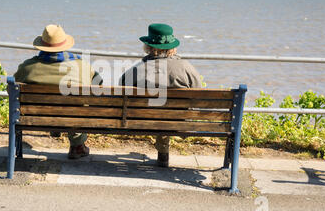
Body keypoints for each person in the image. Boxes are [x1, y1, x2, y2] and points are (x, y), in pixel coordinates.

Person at [119, 23, 203, 167]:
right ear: (172, 46)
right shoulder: (185, 68)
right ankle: (163, 152)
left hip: (142, 119)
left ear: (148, 47)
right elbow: (199, 94)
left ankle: (163, 152)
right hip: (179, 120)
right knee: (166, 112)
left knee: (157, 111)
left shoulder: (137, 71)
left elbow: (121, 86)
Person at [14, 24, 102, 159]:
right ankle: (77, 146)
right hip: (72, 117)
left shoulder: (27, 67)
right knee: (78, 106)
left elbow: (12, 90)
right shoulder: (82, 66)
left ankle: (55, 129)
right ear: (64, 45)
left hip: (38, 117)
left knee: (55, 105)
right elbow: (99, 84)